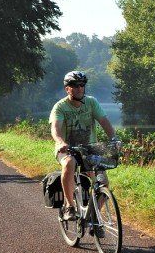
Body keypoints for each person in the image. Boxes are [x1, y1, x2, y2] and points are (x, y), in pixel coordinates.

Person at [50, 70, 117, 212]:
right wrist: (61, 142)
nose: (79, 88)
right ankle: (69, 206)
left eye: (82, 85)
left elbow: (104, 122)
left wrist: (114, 138)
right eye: (75, 85)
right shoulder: (60, 107)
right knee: (69, 163)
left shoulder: (91, 102)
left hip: (89, 149)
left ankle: (95, 215)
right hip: (67, 149)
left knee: (103, 183)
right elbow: (55, 128)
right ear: (67, 88)